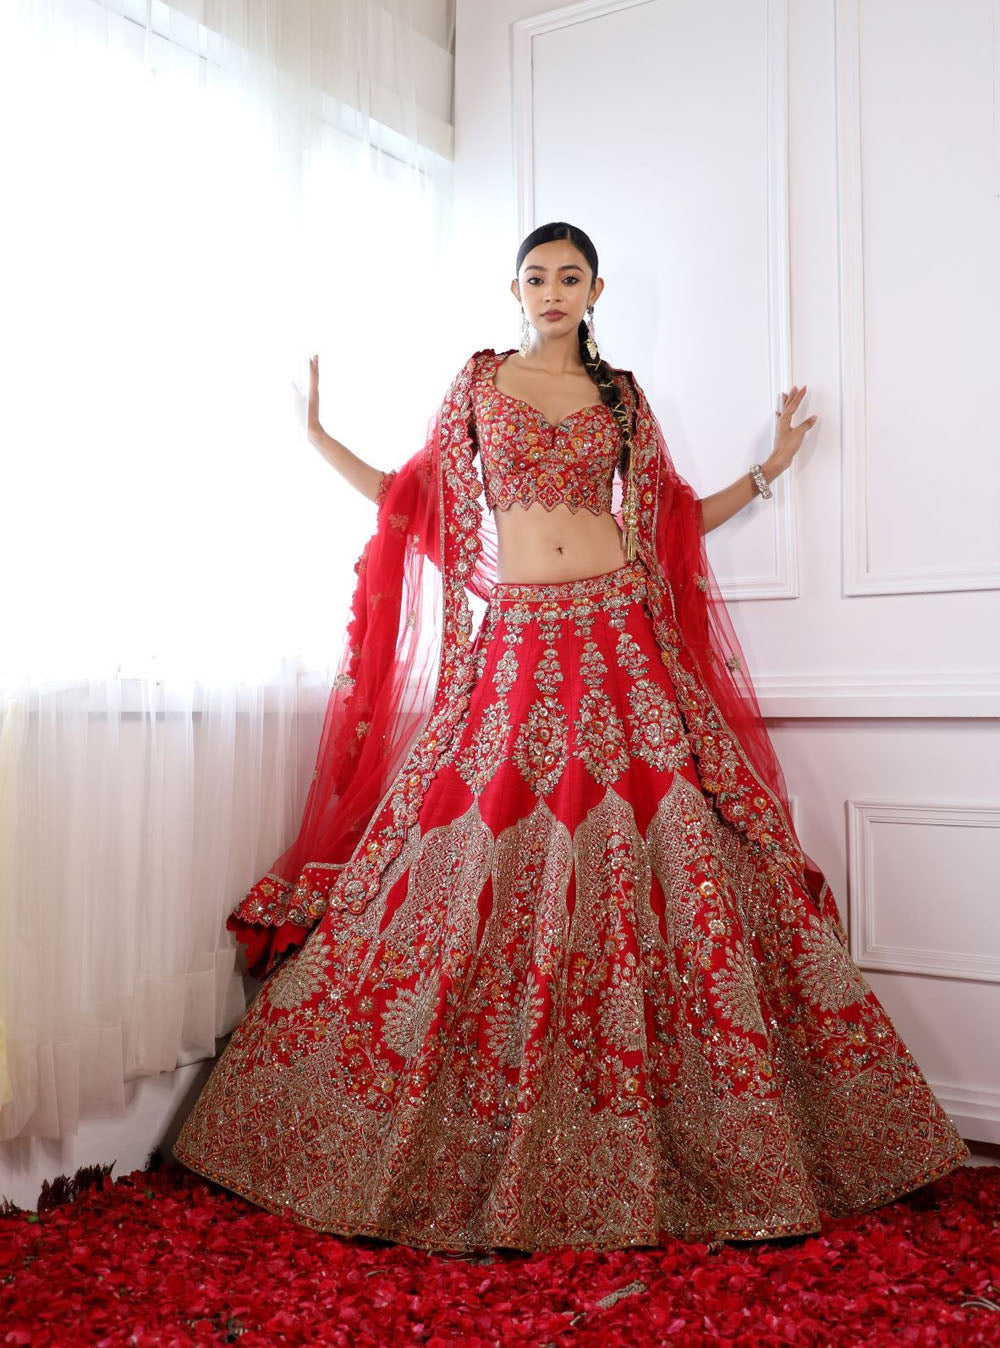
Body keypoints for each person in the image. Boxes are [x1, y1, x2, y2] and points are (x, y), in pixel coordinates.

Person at [173, 221, 970, 1252]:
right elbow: (411, 502)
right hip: (514, 644)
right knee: (465, 858)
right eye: (536, 276)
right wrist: (318, 438)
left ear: (595, 291)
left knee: (674, 858)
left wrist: (769, 469)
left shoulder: (621, 398)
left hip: (619, 639)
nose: (551, 290)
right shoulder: (478, 384)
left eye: (570, 276)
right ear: (514, 289)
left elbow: (672, 522)